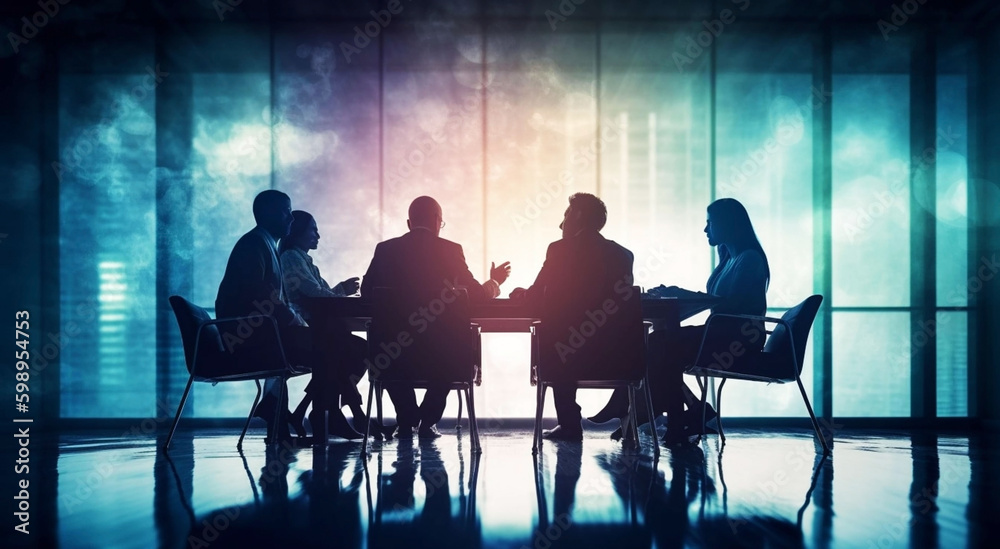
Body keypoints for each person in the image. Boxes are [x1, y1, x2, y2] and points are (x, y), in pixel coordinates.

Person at [591, 197, 769, 445]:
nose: (706, 229)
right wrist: (681, 293)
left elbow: (728, 303)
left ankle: (641, 409)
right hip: (721, 333)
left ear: (727, 223)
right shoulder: (729, 258)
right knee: (659, 343)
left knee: (662, 345)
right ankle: (674, 412)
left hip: (737, 338)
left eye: (710, 222)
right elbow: (719, 300)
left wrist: (683, 294)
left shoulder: (749, 259)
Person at [216, 190, 362, 443]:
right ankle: (327, 415)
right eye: (286, 212)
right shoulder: (255, 246)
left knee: (336, 345)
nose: (290, 219)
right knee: (336, 347)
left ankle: (298, 411)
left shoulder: (262, 245)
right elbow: (260, 296)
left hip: (257, 331)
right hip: (252, 335)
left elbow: (265, 298)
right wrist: (293, 320)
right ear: (268, 213)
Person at [360, 196, 511, 439]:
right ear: (437, 220)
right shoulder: (450, 250)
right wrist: (494, 283)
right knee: (455, 351)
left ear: (409, 223)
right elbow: (473, 295)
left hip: (393, 356)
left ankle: (407, 418)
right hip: (440, 358)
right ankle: (427, 420)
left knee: (388, 354)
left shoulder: (385, 249)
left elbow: (367, 293)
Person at [510, 193, 634, 442]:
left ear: (577, 216)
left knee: (556, 334)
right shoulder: (623, 255)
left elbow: (536, 297)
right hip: (617, 359)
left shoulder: (559, 251)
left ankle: (569, 424)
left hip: (566, 358)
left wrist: (522, 295)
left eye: (565, 215)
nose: (561, 223)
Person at [278, 210, 378, 437]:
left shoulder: (303, 260)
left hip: (313, 329)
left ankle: (321, 411)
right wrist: (341, 291)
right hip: (305, 332)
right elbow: (316, 296)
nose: (318, 236)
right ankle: (344, 412)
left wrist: (340, 289)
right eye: (313, 229)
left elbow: (320, 296)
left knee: (349, 351)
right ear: (298, 232)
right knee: (353, 350)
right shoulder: (291, 258)